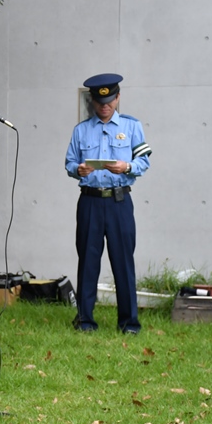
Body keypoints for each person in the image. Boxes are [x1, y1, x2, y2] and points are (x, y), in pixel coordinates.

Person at [65, 73, 152, 334]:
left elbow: (144, 162)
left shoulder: (132, 127)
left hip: (119, 201)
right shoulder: (81, 131)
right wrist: (76, 170)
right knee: (88, 261)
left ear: (118, 98)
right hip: (90, 202)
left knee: (123, 263)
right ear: (92, 101)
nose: (106, 106)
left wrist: (127, 166)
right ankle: (85, 321)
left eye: (110, 100)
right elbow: (69, 162)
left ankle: (129, 323)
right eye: (101, 101)